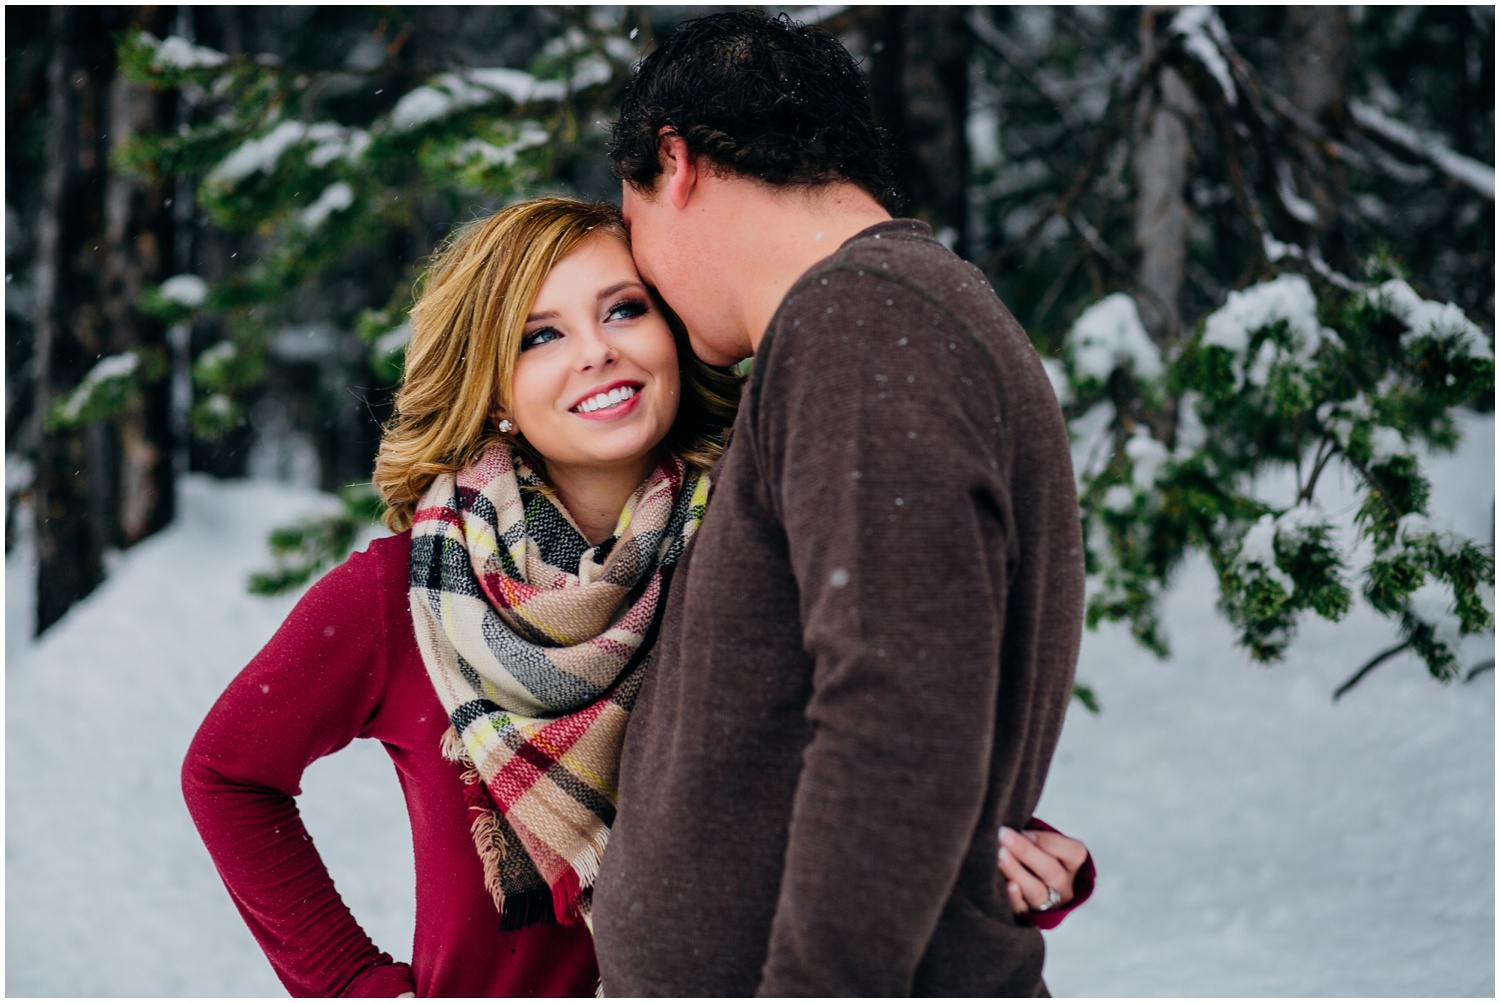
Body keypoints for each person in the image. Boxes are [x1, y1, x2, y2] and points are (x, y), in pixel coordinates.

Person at [182, 196, 1091, 997]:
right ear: (492, 389)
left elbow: (854, 744)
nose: (598, 351)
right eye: (542, 334)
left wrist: (1006, 849)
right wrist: (353, 985)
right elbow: (227, 775)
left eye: (624, 309)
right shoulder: (403, 596)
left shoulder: (754, 541)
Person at [589, 11, 1088, 996]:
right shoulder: (884, 318)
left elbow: (898, 717)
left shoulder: (862, 319)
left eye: (632, 223)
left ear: (675, 163)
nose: (642, 272)